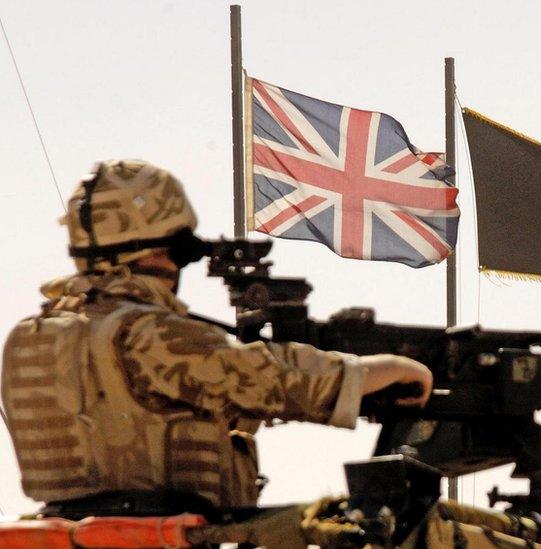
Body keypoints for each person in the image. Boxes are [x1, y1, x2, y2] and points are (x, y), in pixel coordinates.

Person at [0, 159, 433, 546]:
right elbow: (271, 379)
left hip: (69, 533)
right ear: (167, 249)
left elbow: (123, 419)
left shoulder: (30, 336)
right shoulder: (149, 334)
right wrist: (385, 370)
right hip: (158, 534)